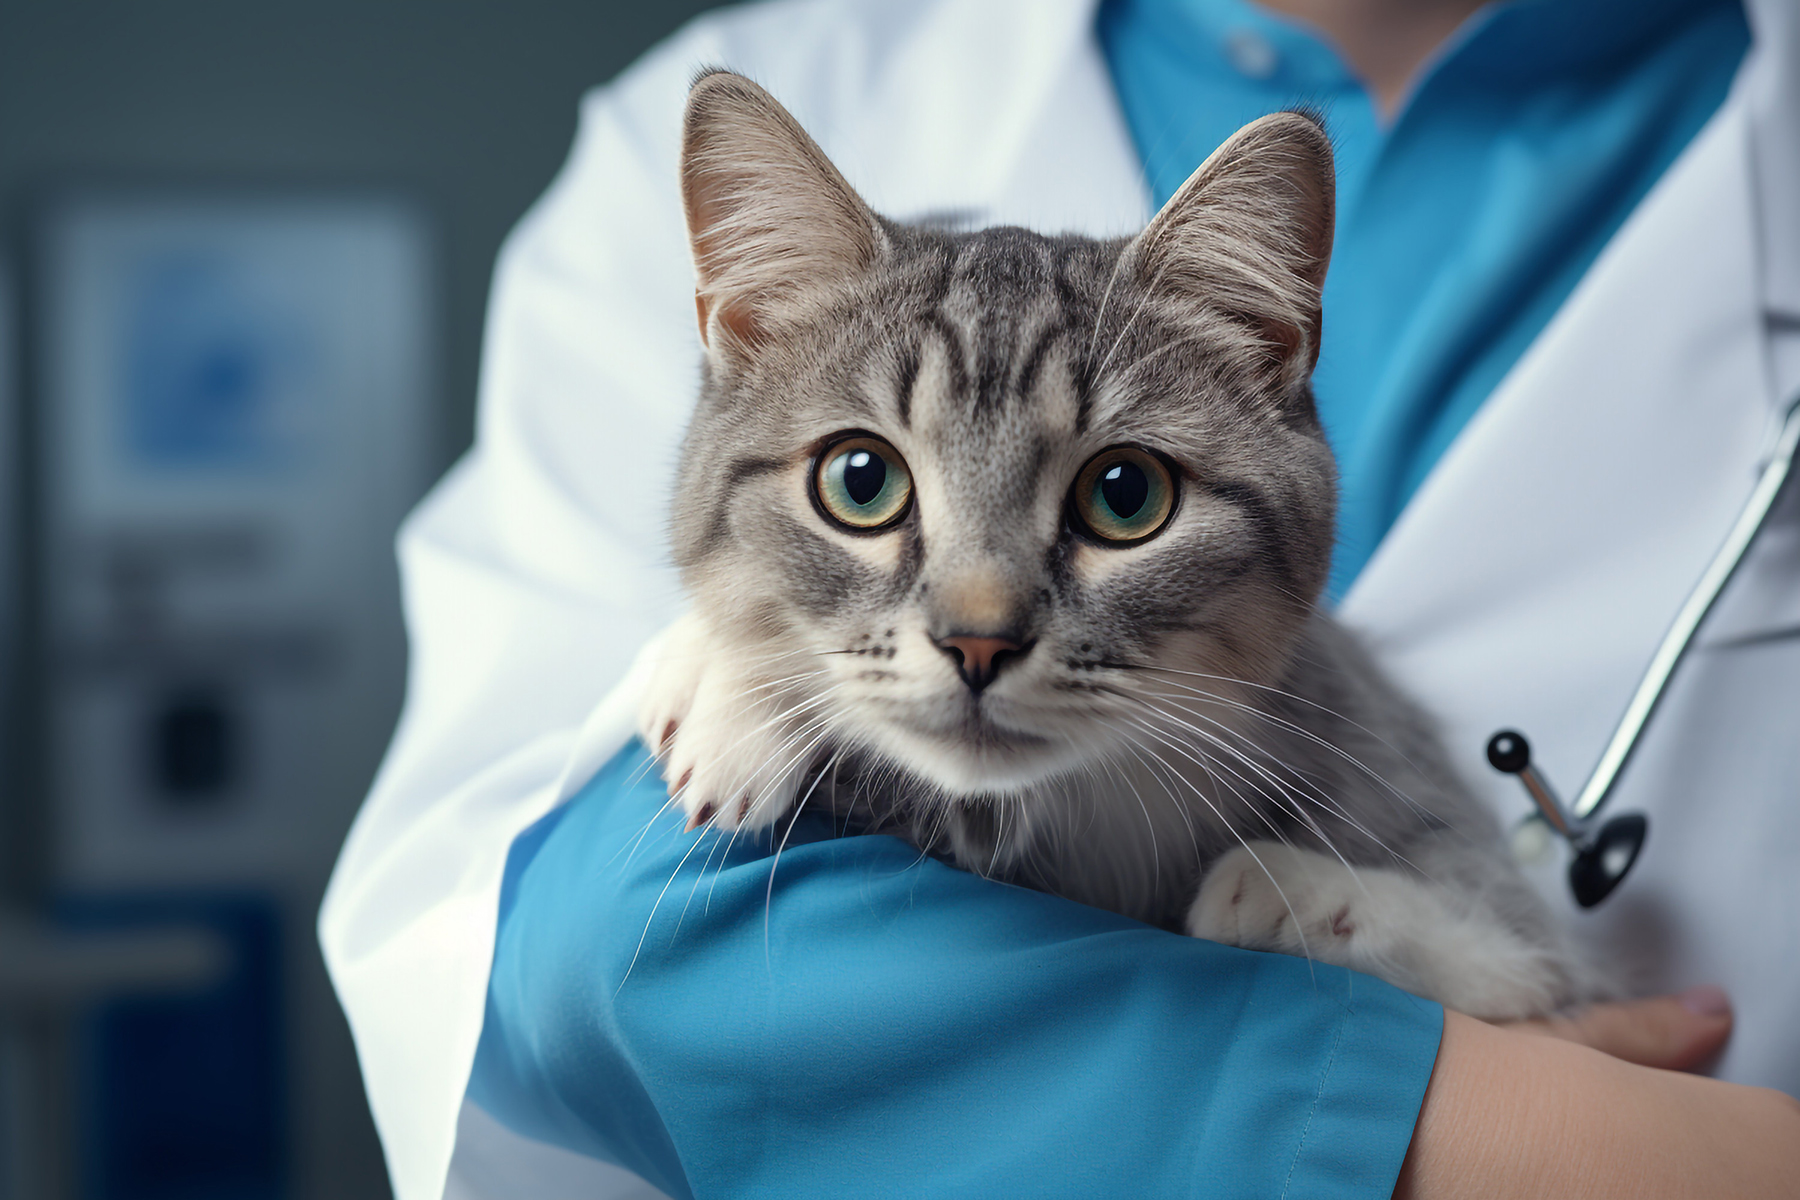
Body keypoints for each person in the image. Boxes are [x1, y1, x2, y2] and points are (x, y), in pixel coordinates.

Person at [319, 0, 1800, 1196]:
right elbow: (543, 939)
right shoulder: (775, 83)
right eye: (865, 483)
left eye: (1119, 496)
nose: (978, 625)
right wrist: (1510, 1136)